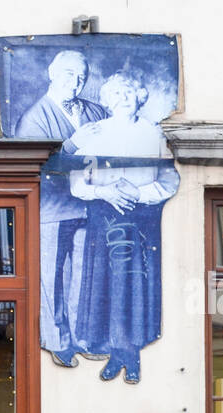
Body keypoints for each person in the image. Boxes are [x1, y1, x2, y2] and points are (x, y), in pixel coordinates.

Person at [66, 71, 180, 384]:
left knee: (134, 289)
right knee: (108, 289)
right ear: (107, 100)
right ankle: (116, 354)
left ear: (139, 97)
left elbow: (170, 180)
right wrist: (103, 191)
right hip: (103, 221)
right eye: (115, 95)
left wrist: (141, 194)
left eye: (128, 94)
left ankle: (131, 357)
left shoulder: (153, 134)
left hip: (141, 222)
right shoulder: (95, 133)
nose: (122, 100)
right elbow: (77, 183)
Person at [15, 50, 107, 369]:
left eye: (82, 76)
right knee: (53, 276)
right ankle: (57, 341)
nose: (76, 82)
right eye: (69, 74)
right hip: (52, 211)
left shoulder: (97, 111)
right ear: (52, 74)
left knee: (84, 274)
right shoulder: (34, 117)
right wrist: (72, 144)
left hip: (90, 207)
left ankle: (82, 337)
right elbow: (35, 166)